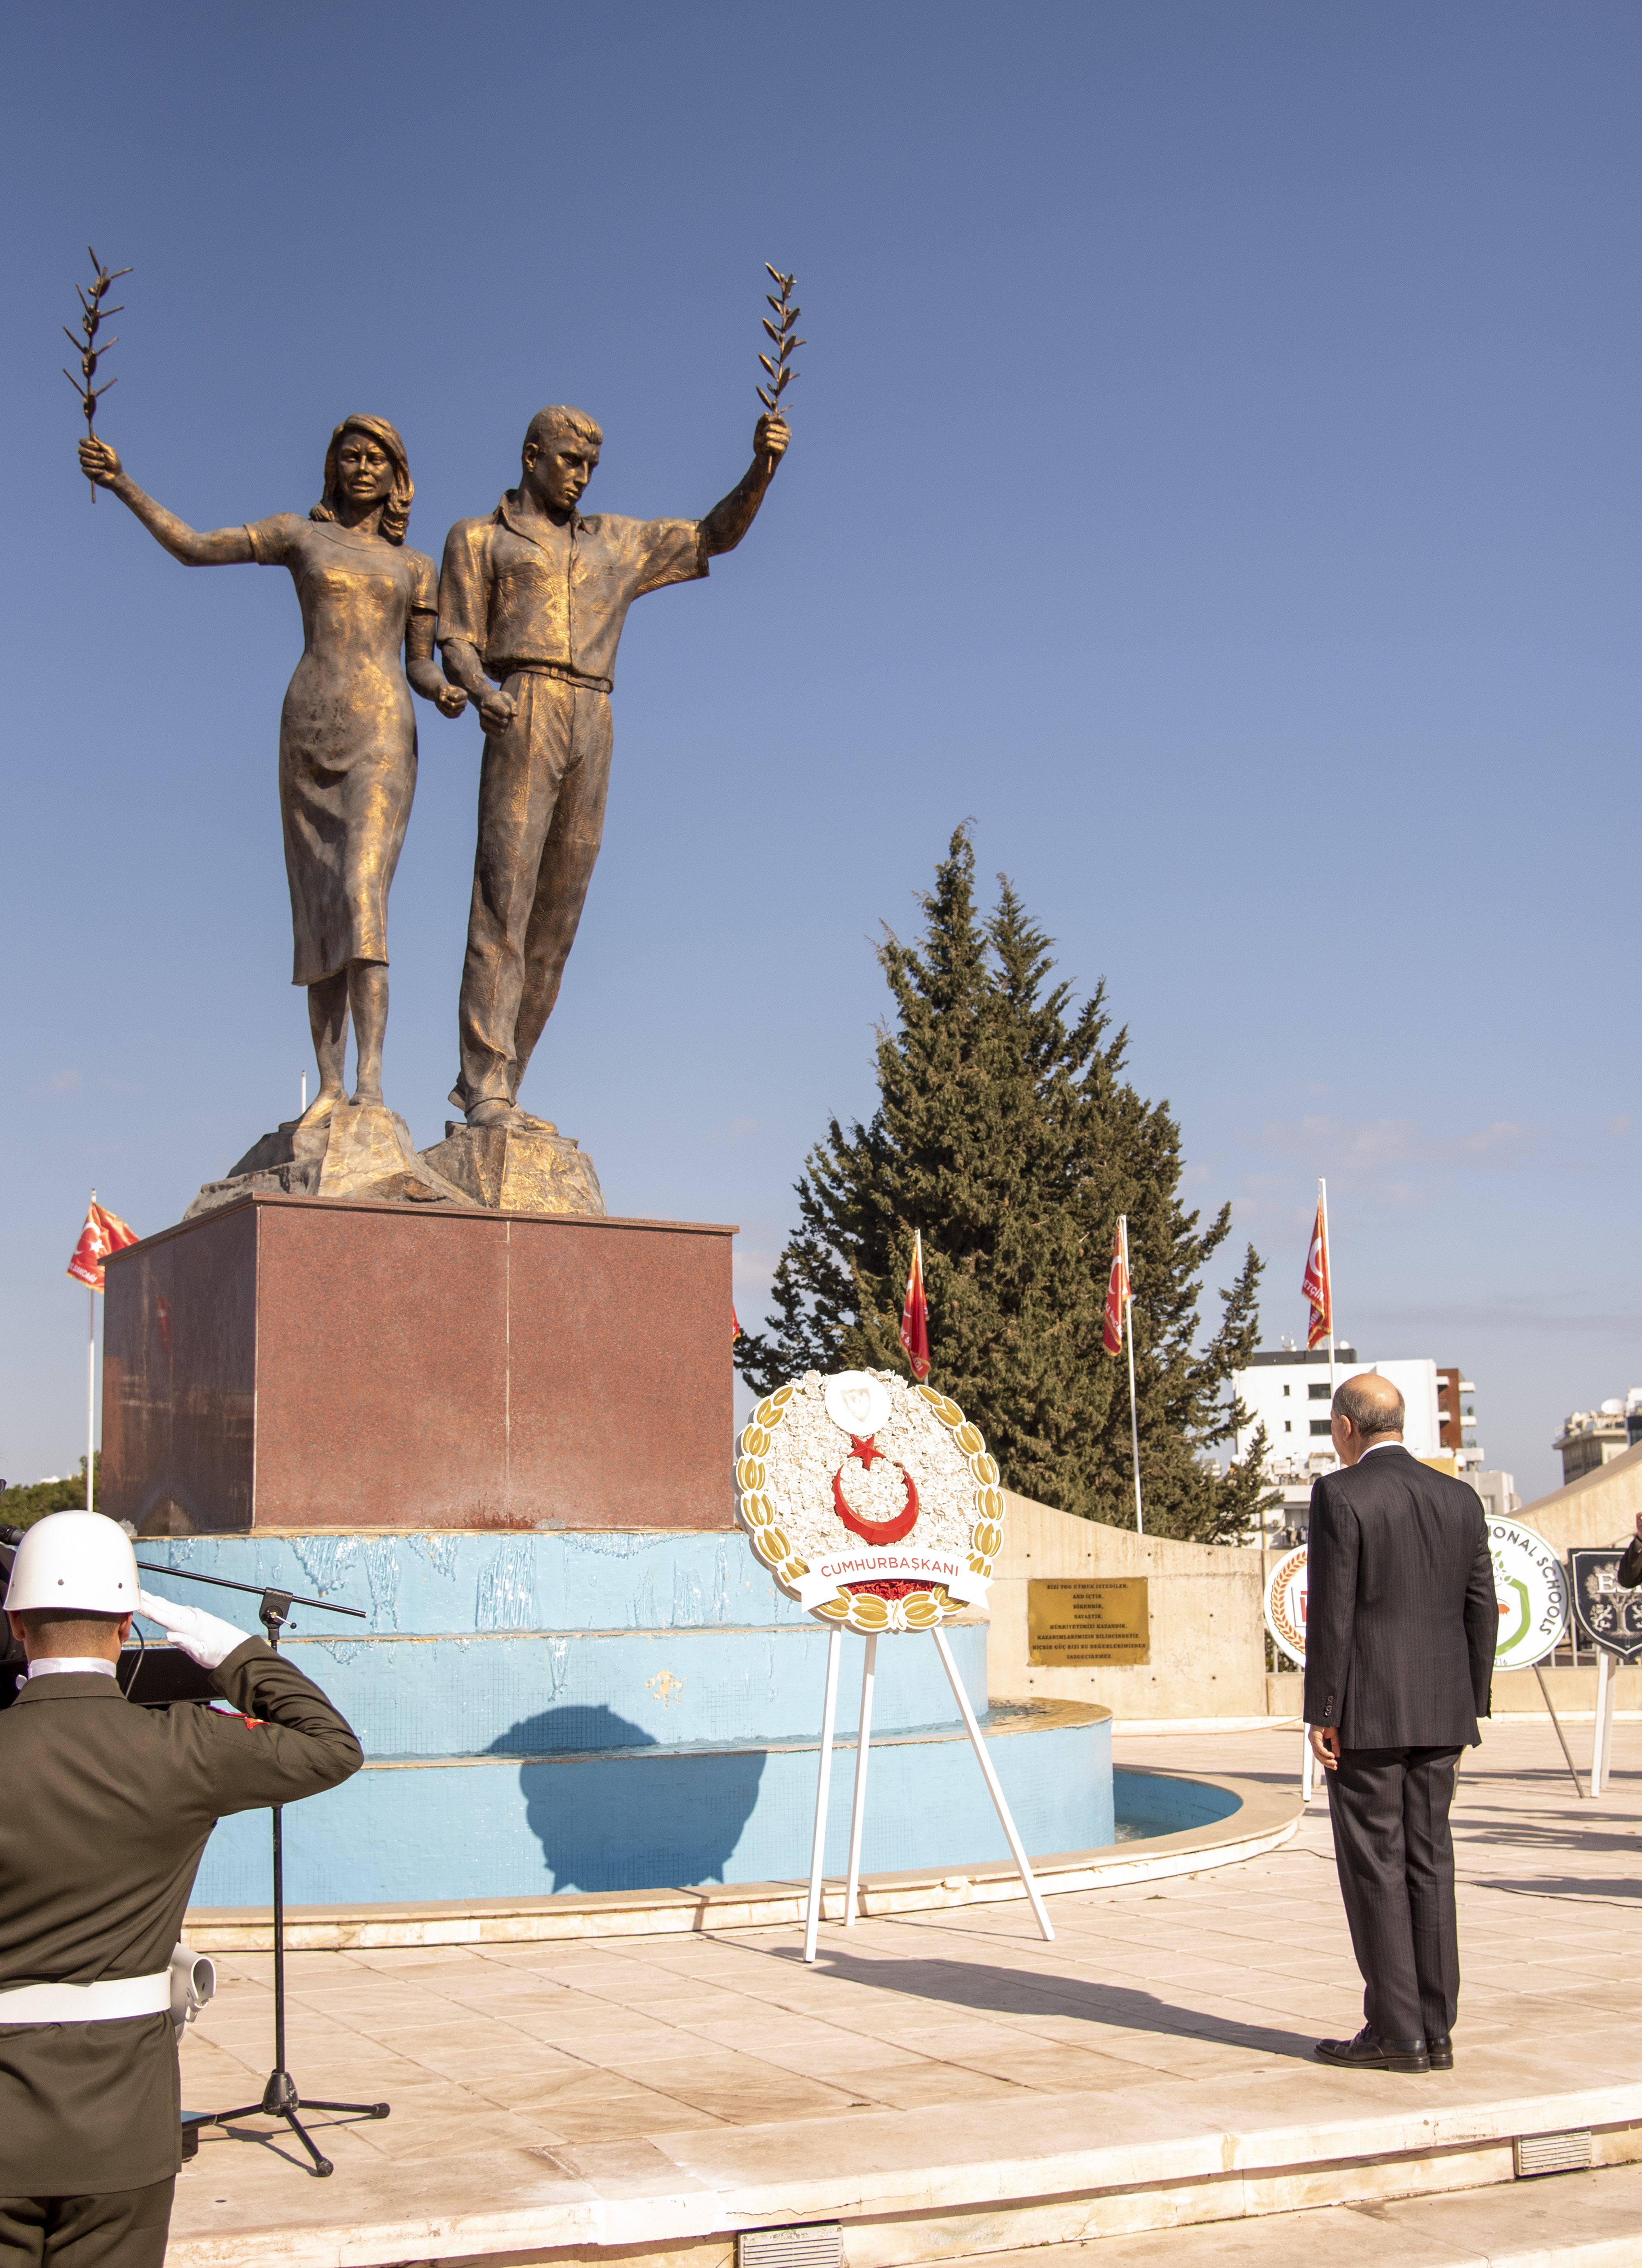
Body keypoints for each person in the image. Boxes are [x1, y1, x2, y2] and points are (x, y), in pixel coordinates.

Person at [78, 419, 467, 1123]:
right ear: (332, 467)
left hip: (382, 731)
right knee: (319, 913)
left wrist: (441, 689)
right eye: (350, 455)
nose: (362, 467)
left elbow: (419, 662)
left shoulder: (414, 566)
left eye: (377, 459)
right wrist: (123, 482)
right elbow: (195, 547)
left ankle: (372, 1087)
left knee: (362, 897)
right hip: (309, 729)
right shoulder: (300, 535)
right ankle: (330, 1086)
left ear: (398, 476)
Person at [0, 1512, 361, 2265]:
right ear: (126, 1626)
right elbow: (332, 1747)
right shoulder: (184, 1746)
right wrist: (234, 1652)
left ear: (16, 1625)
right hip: (123, 2127)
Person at [436, 403, 789, 1128]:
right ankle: (484, 1082)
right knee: (504, 902)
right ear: (532, 455)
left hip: (594, 713)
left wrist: (762, 466)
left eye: (592, 467)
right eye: (571, 461)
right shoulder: (477, 538)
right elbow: (457, 638)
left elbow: (713, 535)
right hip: (524, 702)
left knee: (558, 917)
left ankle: (505, 1083)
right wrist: (480, 691)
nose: (582, 477)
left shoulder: (616, 542)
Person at [1304, 1372, 1496, 2076]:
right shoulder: (1460, 1497)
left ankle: (1396, 2031)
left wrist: (1324, 1712)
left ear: (1346, 1427)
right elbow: (1482, 1606)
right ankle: (1436, 2029)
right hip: (1442, 1710)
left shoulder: (1341, 1493)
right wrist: (1469, 1702)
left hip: (1370, 1713)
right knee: (1431, 1862)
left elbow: (1334, 1610)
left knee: (1376, 1868)